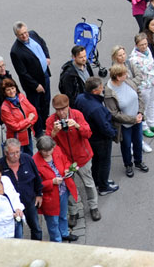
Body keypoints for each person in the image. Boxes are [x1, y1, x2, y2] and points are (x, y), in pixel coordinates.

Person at [47, 93, 100, 228]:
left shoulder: (77, 114)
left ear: (68, 106)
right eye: (58, 110)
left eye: (63, 109)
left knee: (89, 183)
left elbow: (88, 134)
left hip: (82, 157)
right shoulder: (51, 121)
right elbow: (47, 145)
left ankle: (93, 207)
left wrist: (77, 125)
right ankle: (73, 212)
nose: (61, 113)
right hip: (65, 161)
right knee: (69, 187)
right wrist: (54, 132)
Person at [73, 77, 119, 197]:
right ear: (95, 91)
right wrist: (113, 133)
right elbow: (104, 126)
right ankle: (103, 186)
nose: (102, 89)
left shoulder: (80, 98)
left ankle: (98, 181)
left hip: (90, 137)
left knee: (96, 161)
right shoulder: (97, 108)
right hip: (101, 139)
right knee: (104, 162)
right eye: (101, 88)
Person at [104, 64, 149, 178]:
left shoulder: (127, 82)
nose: (127, 75)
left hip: (136, 119)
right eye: (124, 74)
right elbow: (114, 114)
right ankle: (128, 164)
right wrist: (132, 119)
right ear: (118, 77)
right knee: (126, 145)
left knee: (138, 142)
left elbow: (138, 94)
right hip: (124, 124)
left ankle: (138, 162)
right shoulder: (109, 92)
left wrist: (140, 112)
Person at [9, 21, 52, 136]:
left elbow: (42, 43)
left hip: (44, 75)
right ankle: (38, 132)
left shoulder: (33, 34)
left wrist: (47, 56)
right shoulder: (16, 51)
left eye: (25, 32)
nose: (25, 35)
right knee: (35, 107)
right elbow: (22, 73)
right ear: (16, 35)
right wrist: (35, 85)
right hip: (34, 84)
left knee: (46, 101)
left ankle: (44, 124)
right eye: (21, 34)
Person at [33, 135, 79, 242]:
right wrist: (51, 182)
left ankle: (64, 233)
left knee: (63, 215)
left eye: (50, 150)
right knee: (53, 221)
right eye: (45, 151)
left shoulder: (56, 150)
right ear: (40, 150)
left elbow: (66, 161)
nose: (49, 153)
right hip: (49, 197)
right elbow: (36, 185)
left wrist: (67, 169)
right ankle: (56, 241)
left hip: (62, 191)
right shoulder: (34, 162)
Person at [0, 138, 43, 240]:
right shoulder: (0, 166)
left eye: (18, 152)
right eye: (12, 153)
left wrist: (39, 194)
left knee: (36, 228)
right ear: (5, 153)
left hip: (29, 202)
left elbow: (37, 177)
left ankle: (38, 250)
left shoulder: (27, 159)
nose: (16, 156)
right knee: (17, 233)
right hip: (12, 207)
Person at [0, 77, 39, 152]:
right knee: (18, 158)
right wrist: (28, 120)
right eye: (8, 90)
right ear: (4, 92)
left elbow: (34, 112)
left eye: (12, 88)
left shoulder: (21, 97)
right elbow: (15, 127)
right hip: (16, 139)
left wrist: (27, 125)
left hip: (27, 134)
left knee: (30, 156)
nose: (11, 91)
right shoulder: (5, 108)